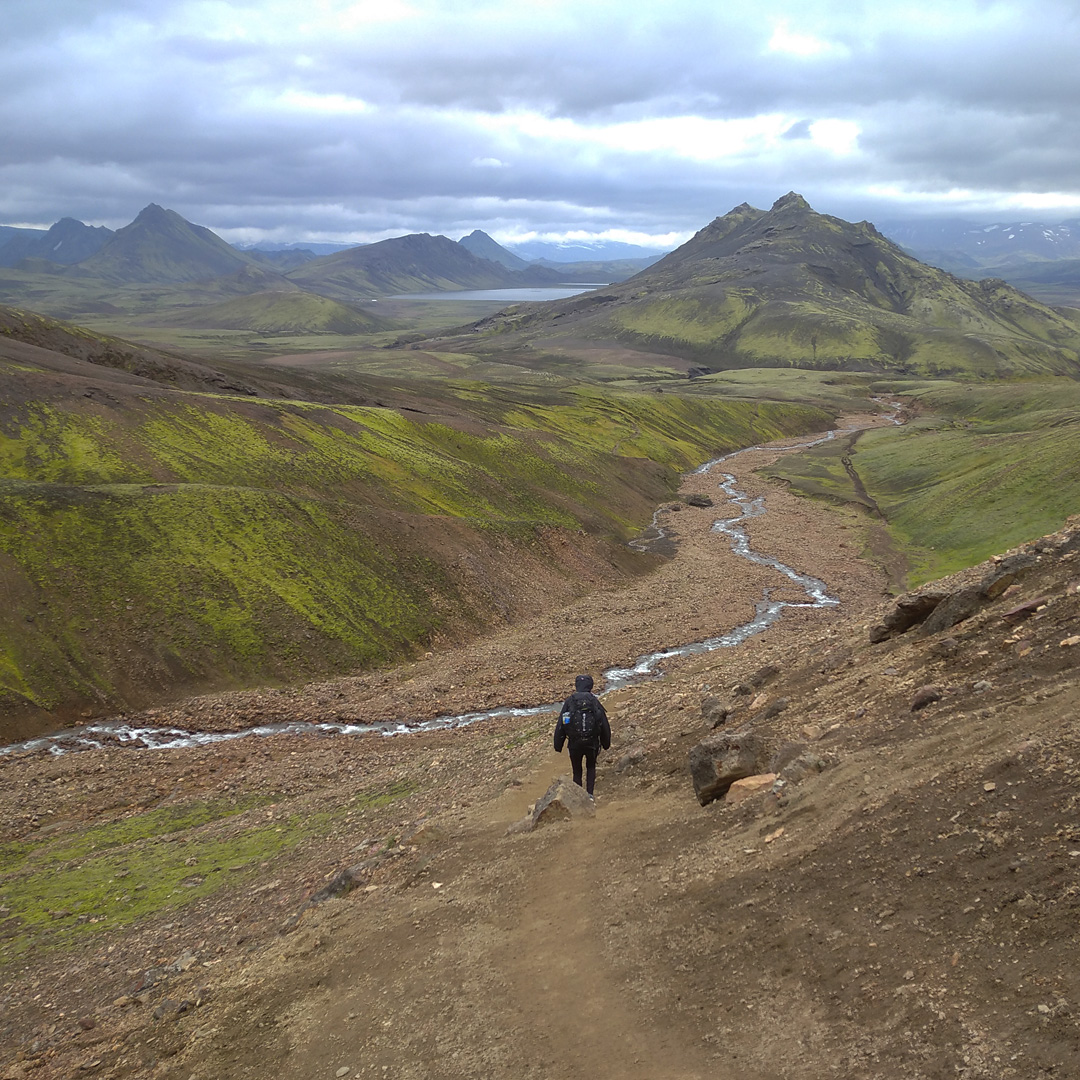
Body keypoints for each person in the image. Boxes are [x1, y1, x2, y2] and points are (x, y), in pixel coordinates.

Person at [553, 674, 611, 797]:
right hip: (592, 742)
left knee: (577, 771)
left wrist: (558, 745)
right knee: (591, 767)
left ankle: (578, 797)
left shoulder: (570, 701)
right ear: (590, 685)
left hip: (574, 743)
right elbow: (603, 723)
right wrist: (606, 743)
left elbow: (561, 724)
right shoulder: (594, 701)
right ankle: (590, 796)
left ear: (577, 685)